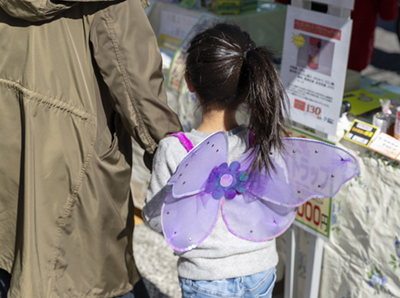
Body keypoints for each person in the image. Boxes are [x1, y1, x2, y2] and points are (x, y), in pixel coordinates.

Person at [0, 0, 182, 297]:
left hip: (9, 157)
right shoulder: (114, 4)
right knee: (90, 277)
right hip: (77, 176)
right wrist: (181, 163)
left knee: (13, 260)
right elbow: (140, 95)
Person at [143, 23, 290, 298]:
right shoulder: (262, 141)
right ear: (249, 86)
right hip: (260, 269)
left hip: (206, 278)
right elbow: (279, 200)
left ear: (189, 82)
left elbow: (155, 218)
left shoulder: (175, 149)